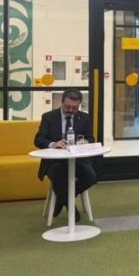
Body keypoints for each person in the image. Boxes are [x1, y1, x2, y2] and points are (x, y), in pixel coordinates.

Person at [34, 89, 96, 222]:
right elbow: (38, 139)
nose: (71, 110)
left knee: (91, 177)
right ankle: (70, 206)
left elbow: (91, 138)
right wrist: (53, 144)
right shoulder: (48, 117)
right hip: (54, 161)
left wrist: (85, 142)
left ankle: (61, 200)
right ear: (61, 102)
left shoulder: (84, 117)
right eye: (68, 107)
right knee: (59, 176)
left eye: (75, 108)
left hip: (77, 159)